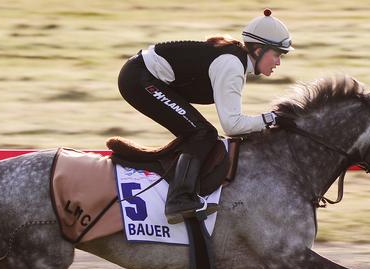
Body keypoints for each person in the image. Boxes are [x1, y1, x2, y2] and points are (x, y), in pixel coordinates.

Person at [117, 9, 293, 224]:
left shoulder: (235, 63)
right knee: (203, 133)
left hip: (142, 76)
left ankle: (180, 190)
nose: (278, 62)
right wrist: (271, 119)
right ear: (258, 50)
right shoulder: (232, 66)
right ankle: (179, 200)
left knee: (200, 133)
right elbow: (232, 125)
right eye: (276, 54)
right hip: (140, 79)